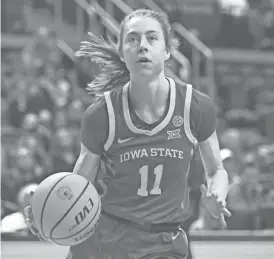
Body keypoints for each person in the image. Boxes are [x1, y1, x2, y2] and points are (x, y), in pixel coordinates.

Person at [25, 9, 231, 259]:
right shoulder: (102, 114)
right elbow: (80, 184)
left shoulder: (195, 107)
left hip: (162, 242)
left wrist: (217, 195)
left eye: (152, 38)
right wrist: (48, 212)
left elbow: (216, 171)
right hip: (103, 238)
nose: (142, 46)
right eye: (132, 39)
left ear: (167, 51)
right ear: (122, 52)